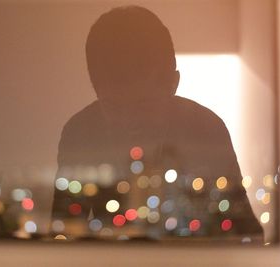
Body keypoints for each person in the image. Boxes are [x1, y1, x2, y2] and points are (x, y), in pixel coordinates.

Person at [51, 6, 263, 240]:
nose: (128, 121)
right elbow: (61, 235)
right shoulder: (80, 132)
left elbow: (244, 231)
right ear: (95, 90)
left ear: (174, 83)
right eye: (113, 107)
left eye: (143, 106)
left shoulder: (205, 129)